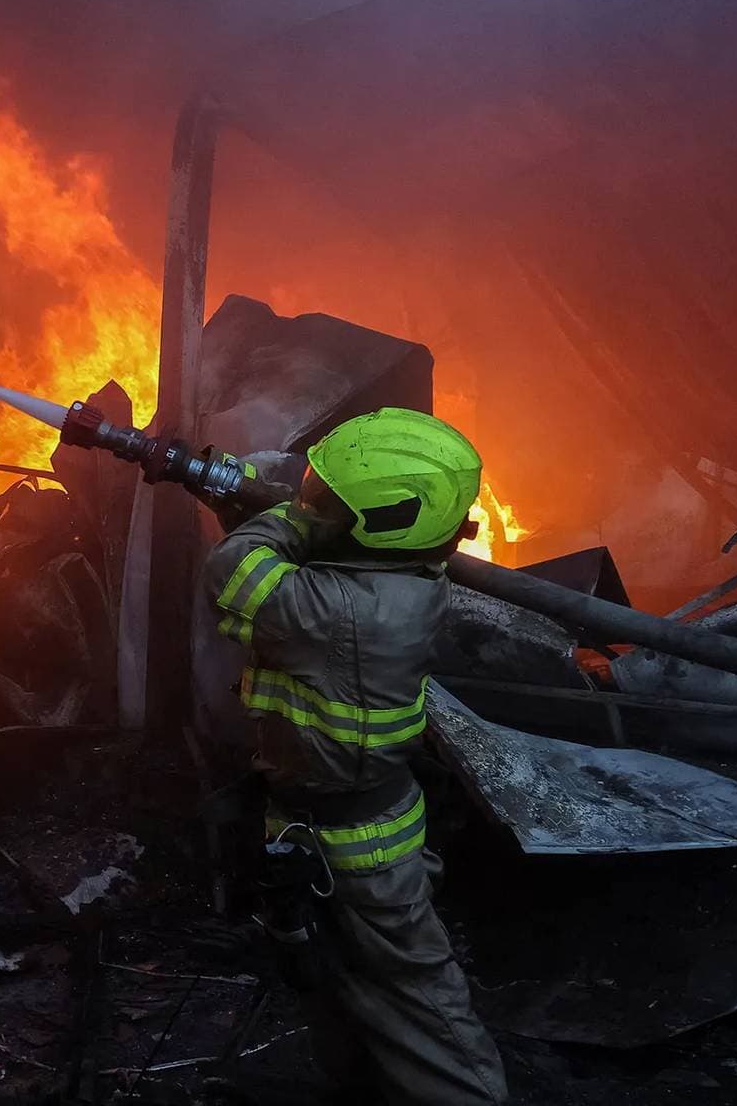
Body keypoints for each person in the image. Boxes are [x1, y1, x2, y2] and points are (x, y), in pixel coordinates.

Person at [203, 407, 508, 1106]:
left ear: (387, 523)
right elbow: (303, 562)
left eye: (324, 498)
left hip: (356, 849)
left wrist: (279, 516)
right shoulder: (390, 576)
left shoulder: (347, 610)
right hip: (326, 824)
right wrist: (274, 506)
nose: (307, 500)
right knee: (339, 980)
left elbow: (233, 571)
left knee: (420, 1005)